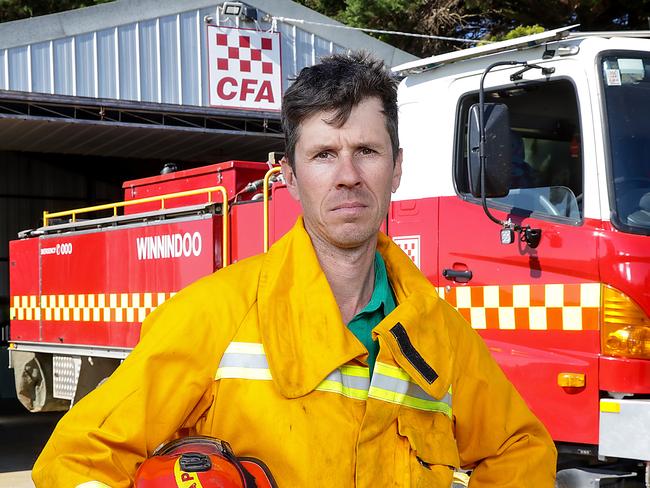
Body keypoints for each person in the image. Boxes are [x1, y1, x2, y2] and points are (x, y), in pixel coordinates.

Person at [32, 52, 556, 487]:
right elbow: (75, 460)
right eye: (324, 154)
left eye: (367, 151)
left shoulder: (442, 336)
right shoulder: (215, 314)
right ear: (288, 176)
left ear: (397, 168)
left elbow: (522, 454)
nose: (348, 176)